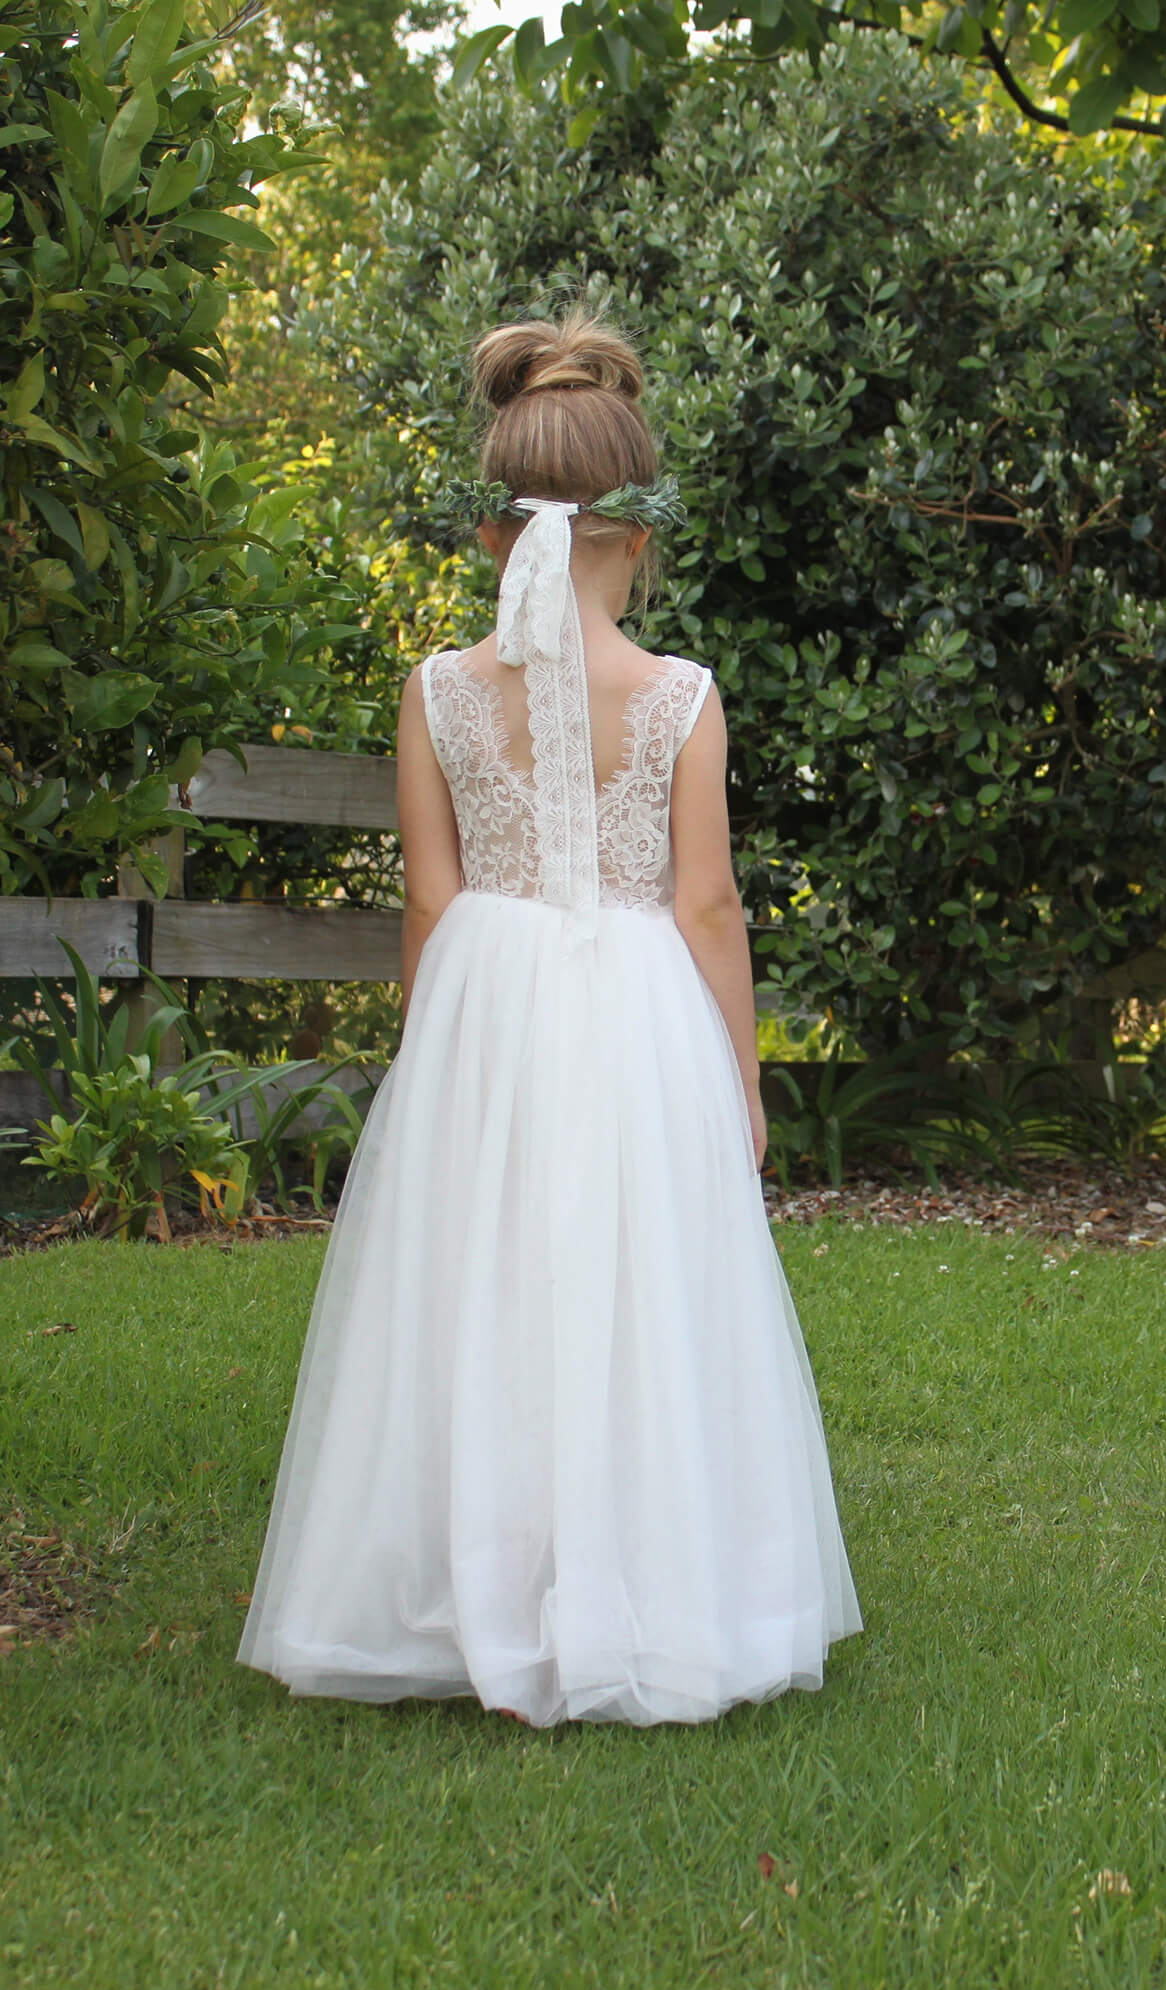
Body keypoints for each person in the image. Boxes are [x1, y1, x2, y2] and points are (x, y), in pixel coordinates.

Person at [236, 308, 862, 1726]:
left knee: (487, 1290)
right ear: (636, 539)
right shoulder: (681, 697)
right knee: (639, 1287)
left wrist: (435, 1057)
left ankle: (483, 1587)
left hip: (485, 1006)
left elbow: (429, 898)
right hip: (639, 1014)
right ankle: (650, 1583)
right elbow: (707, 904)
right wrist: (742, 1078)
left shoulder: (438, 694)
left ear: (489, 537)